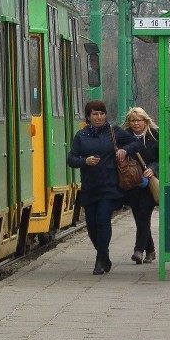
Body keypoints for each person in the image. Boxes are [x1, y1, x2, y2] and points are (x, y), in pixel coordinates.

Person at [68, 100, 142, 275]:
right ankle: (105, 255)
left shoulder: (114, 132)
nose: (99, 117)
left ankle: (100, 260)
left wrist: (125, 150)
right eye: (95, 114)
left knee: (103, 220)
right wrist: (84, 161)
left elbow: (136, 143)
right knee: (92, 226)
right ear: (88, 117)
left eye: (102, 113)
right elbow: (71, 158)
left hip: (110, 186)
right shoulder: (81, 135)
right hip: (90, 187)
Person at [121, 107, 160, 264]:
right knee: (139, 216)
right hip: (132, 182)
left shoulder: (155, 136)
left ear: (146, 121)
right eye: (133, 120)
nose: (136, 123)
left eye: (139, 120)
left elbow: (162, 158)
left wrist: (153, 169)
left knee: (144, 213)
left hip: (149, 183)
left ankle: (138, 250)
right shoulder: (125, 137)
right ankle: (150, 250)